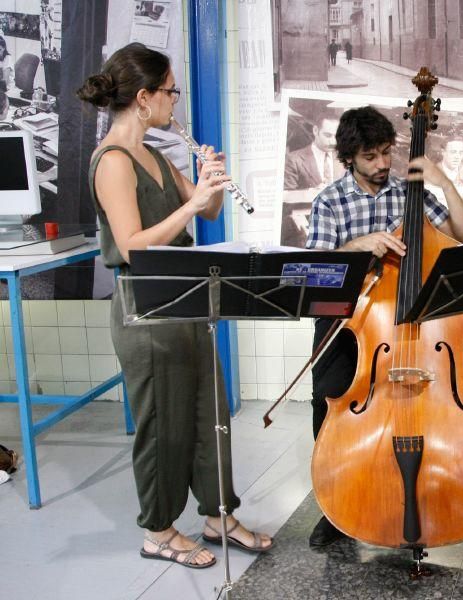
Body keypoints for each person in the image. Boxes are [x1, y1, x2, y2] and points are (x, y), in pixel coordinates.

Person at [76, 42, 273, 569]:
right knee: (163, 424)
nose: (174, 102)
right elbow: (135, 243)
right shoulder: (113, 162)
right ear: (143, 98)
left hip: (184, 300)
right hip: (144, 308)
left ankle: (218, 514)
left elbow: (202, 212)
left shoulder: (155, 154)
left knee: (210, 412)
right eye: (170, 92)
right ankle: (158, 531)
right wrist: (189, 202)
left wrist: (209, 183)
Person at [304, 106, 463, 547]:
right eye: (370, 157)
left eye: (386, 153)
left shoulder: (408, 192)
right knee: (329, 406)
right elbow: (316, 270)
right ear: (348, 158)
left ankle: (410, 490)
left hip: (405, 323)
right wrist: (357, 246)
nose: (382, 165)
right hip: (348, 321)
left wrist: (445, 182)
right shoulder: (330, 200)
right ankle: (334, 504)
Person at [283, 111, 342, 191]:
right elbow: (286, 196)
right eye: (328, 135)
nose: (333, 142)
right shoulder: (293, 159)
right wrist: (310, 192)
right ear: (315, 130)